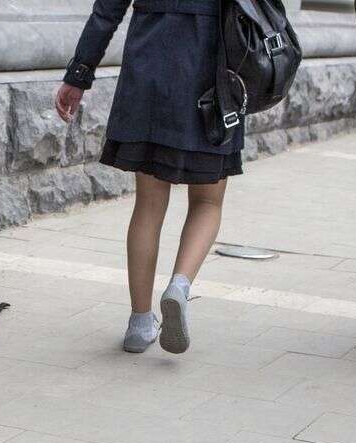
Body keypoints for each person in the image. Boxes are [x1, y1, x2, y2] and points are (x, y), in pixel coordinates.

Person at [56, 0, 244, 355]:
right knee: (207, 201)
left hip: (149, 69)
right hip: (214, 76)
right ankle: (179, 286)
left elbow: (106, 11)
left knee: (149, 203)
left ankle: (139, 322)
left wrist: (78, 75)